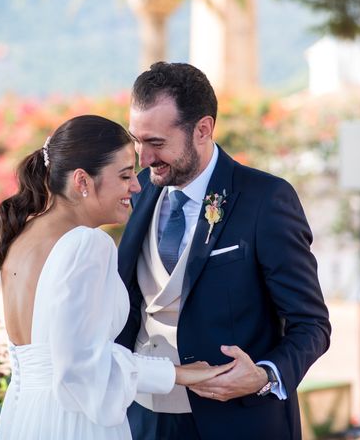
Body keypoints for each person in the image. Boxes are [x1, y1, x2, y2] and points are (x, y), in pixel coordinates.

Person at [0, 115, 234, 440]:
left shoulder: (21, 236)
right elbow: (82, 366)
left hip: (25, 417)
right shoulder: (87, 243)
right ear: (82, 181)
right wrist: (178, 374)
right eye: (125, 175)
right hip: (72, 423)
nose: (137, 185)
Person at [115, 62, 331, 440]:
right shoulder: (140, 194)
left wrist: (265, 375)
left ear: (203, 129)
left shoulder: (266, 199)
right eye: (138, 140)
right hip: (143, 416)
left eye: (157, 143)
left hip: (236, 422)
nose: (143, 158)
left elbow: (311, 323)